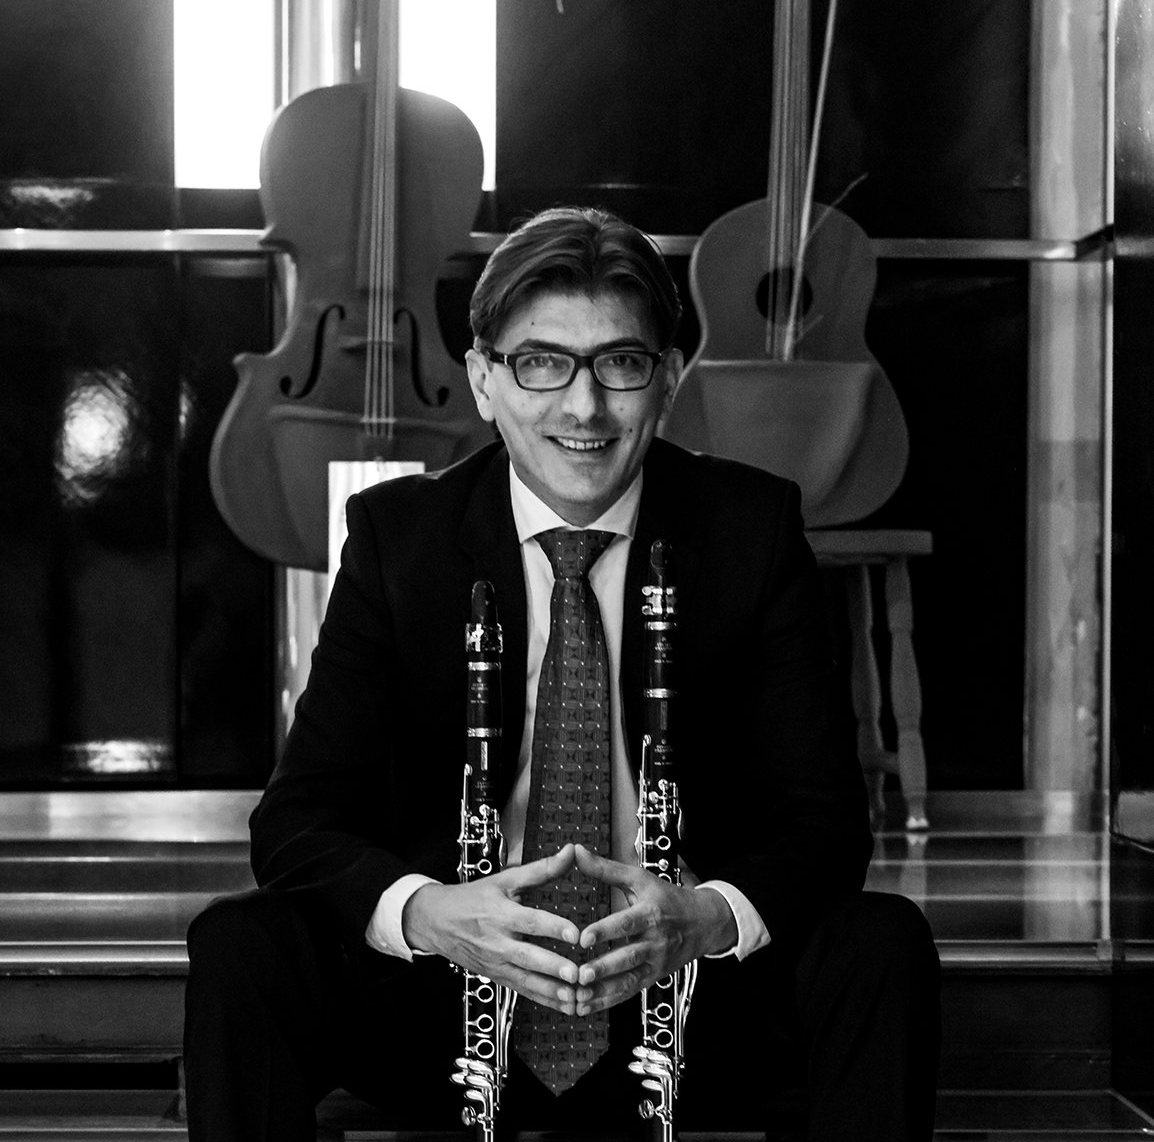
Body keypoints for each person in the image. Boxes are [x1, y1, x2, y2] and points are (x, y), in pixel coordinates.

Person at [183, 206, 940, 1142]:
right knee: (241, 944)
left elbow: (824, 824)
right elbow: (295, 824)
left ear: (667, 378)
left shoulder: (752, 528)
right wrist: (431, 915)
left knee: (882, 943)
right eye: (542, 363)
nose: (584, 408)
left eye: (619, 363)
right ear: (483, 379)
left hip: (686, 1000)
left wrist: (704, 918)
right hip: (452, 999)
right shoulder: (398, 538)